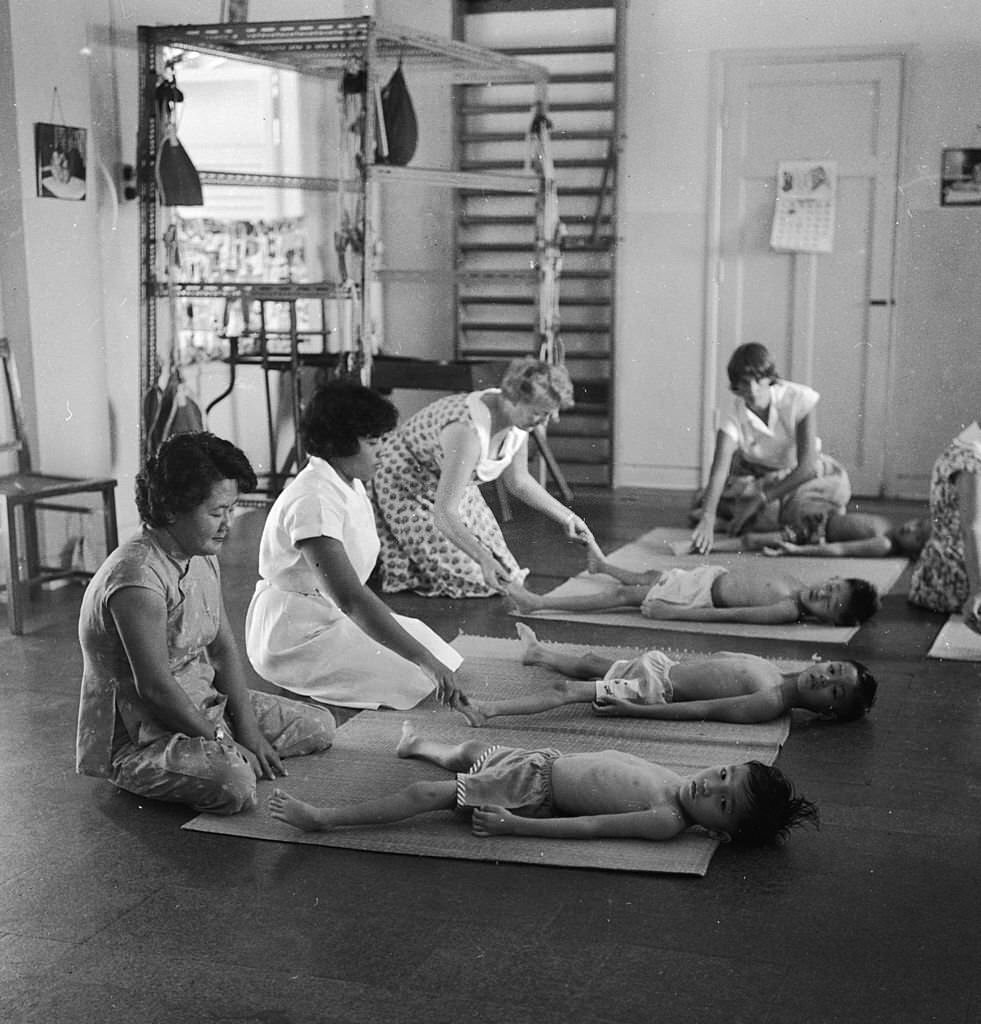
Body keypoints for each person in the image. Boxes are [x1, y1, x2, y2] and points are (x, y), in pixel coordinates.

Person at [76, 432, 336, 815]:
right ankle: (178, 764)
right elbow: (155, 688)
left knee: (321, 726)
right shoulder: (137, 579)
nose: (228, 524)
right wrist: (223, 742)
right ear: (171, 510)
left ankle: (226, 746)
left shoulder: (199, 553)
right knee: (235, 784)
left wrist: (246, 731)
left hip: (205, 706)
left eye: (230, 510)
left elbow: (222, 648)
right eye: (217, 513)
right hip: (144, 735)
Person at [246, 380, 460, 710]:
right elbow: (349, 598)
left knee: (440, 654)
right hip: (295, 636)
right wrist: (423, 660)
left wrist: (421, 651)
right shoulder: (314, 498)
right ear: (340, 443)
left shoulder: (348, 482)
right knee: (417, 677)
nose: (384, 450)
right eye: (374, 442)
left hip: (329, 615)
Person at [268, 720, 819, 847]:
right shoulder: (681, 782)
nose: (710, 789)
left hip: (532, 793)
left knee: (426, 797)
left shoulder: (666, 819)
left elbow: (593, 825)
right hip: (541, 760)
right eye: (722, 776)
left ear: (720, 832)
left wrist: (514, 827)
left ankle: (324, 819)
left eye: (722, 804)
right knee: (467, 751)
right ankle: (416, 745)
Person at [369, 356, 596, 598]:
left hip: (450, 484)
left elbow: (519, 481)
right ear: (513, 400)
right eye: (540, 414)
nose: (546, 421)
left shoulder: (519, 420)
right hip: (405, 484)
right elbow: (445, 513)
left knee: (507, 574)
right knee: (478, 578)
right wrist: (483, 558)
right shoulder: (467, 433)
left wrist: (568, 518)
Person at [457, 623, 877, 727]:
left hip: (656, 688)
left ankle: (487, 711)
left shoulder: (770, 700)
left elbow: (702, 709)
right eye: (833, 671)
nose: (824, 680)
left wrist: (633, 711)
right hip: (663, 668)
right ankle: (537, 653)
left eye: (834, 693)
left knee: (570, 689)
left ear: (827, 712)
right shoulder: (775, 673)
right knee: (587, 659)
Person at [690, 343, 851, 555]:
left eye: (759, 380)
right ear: (736, 385)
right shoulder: (733, 412)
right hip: (758, 476)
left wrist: (761, 499)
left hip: (801, 477)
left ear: (770, 377)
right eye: (745, 383)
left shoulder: (798, 397)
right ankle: (803, 517)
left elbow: (807, 467)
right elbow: (720, 468)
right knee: (715, 505)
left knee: (790, 508)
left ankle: (798, 514)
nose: (753, 389)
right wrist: (707, 518)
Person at [505, 547, 881, 627]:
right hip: (707, 576)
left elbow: (733, 614)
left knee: (625, 597)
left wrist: (674, 612)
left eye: (830, 605)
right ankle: (606, 566)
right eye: (832, 588)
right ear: (832, 579)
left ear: (827, 621)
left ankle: (536, 604)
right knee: (650, 575)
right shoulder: (797, 583)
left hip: (700, 596)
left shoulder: (787, 608)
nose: (824, 596)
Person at [908, 420, 981, 633]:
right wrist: (978, 592)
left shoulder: (968, 444)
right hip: (953, 574)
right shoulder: (971, 459)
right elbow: (972, 530)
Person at [708, 510, 930, 559]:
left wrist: (797, 550)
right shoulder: (888, 525)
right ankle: (721, 520)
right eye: (918, 524)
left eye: (917, 538)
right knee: (754, 523)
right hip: (817, 519)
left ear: (915, 551)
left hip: (815, 533)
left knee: (752, 540)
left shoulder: (883, 544)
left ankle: (702, 547)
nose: (911, 529)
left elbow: (840, 549)